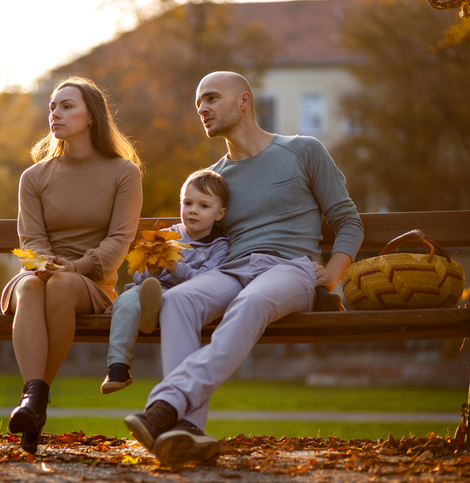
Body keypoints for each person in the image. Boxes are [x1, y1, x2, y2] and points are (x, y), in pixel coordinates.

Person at [123, 71, 364, 466]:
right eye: (198, 102)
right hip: (232, 269)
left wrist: (333, 273)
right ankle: (188, 430)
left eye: (212, 98)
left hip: (289, 270)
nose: (202, 108)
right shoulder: (216, 180)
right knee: (179, 302)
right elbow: (195, 234)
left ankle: (166, 405)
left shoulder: (303, 150)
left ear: (244, 101)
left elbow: (348, 220)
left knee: (250, 303)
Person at [2, 76, 143, 454]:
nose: (56, 113)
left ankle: (34, 402)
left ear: (91, 116)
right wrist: (44, 263)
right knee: (32, 286)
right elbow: (30, 239)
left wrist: (75, 269)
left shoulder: (123, 173)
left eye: (67, 106)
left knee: (61, 286)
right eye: (52, 106)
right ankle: (35, 401)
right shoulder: (34, 177)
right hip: (38, 273)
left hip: (90, 282)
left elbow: (119, 241)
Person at [101, 169, 230, 394]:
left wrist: (175, 268)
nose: (193, 211)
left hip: (184, 298)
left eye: (204, 206)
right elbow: (139, 276)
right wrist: (151, 272)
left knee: (170, 301)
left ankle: (151, 313)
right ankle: (118, 367)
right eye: (187, 203)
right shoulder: (166, 236)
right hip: (151, 290)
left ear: (220, 214)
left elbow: (209, 279)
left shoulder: (219, 245)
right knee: (126, 301)